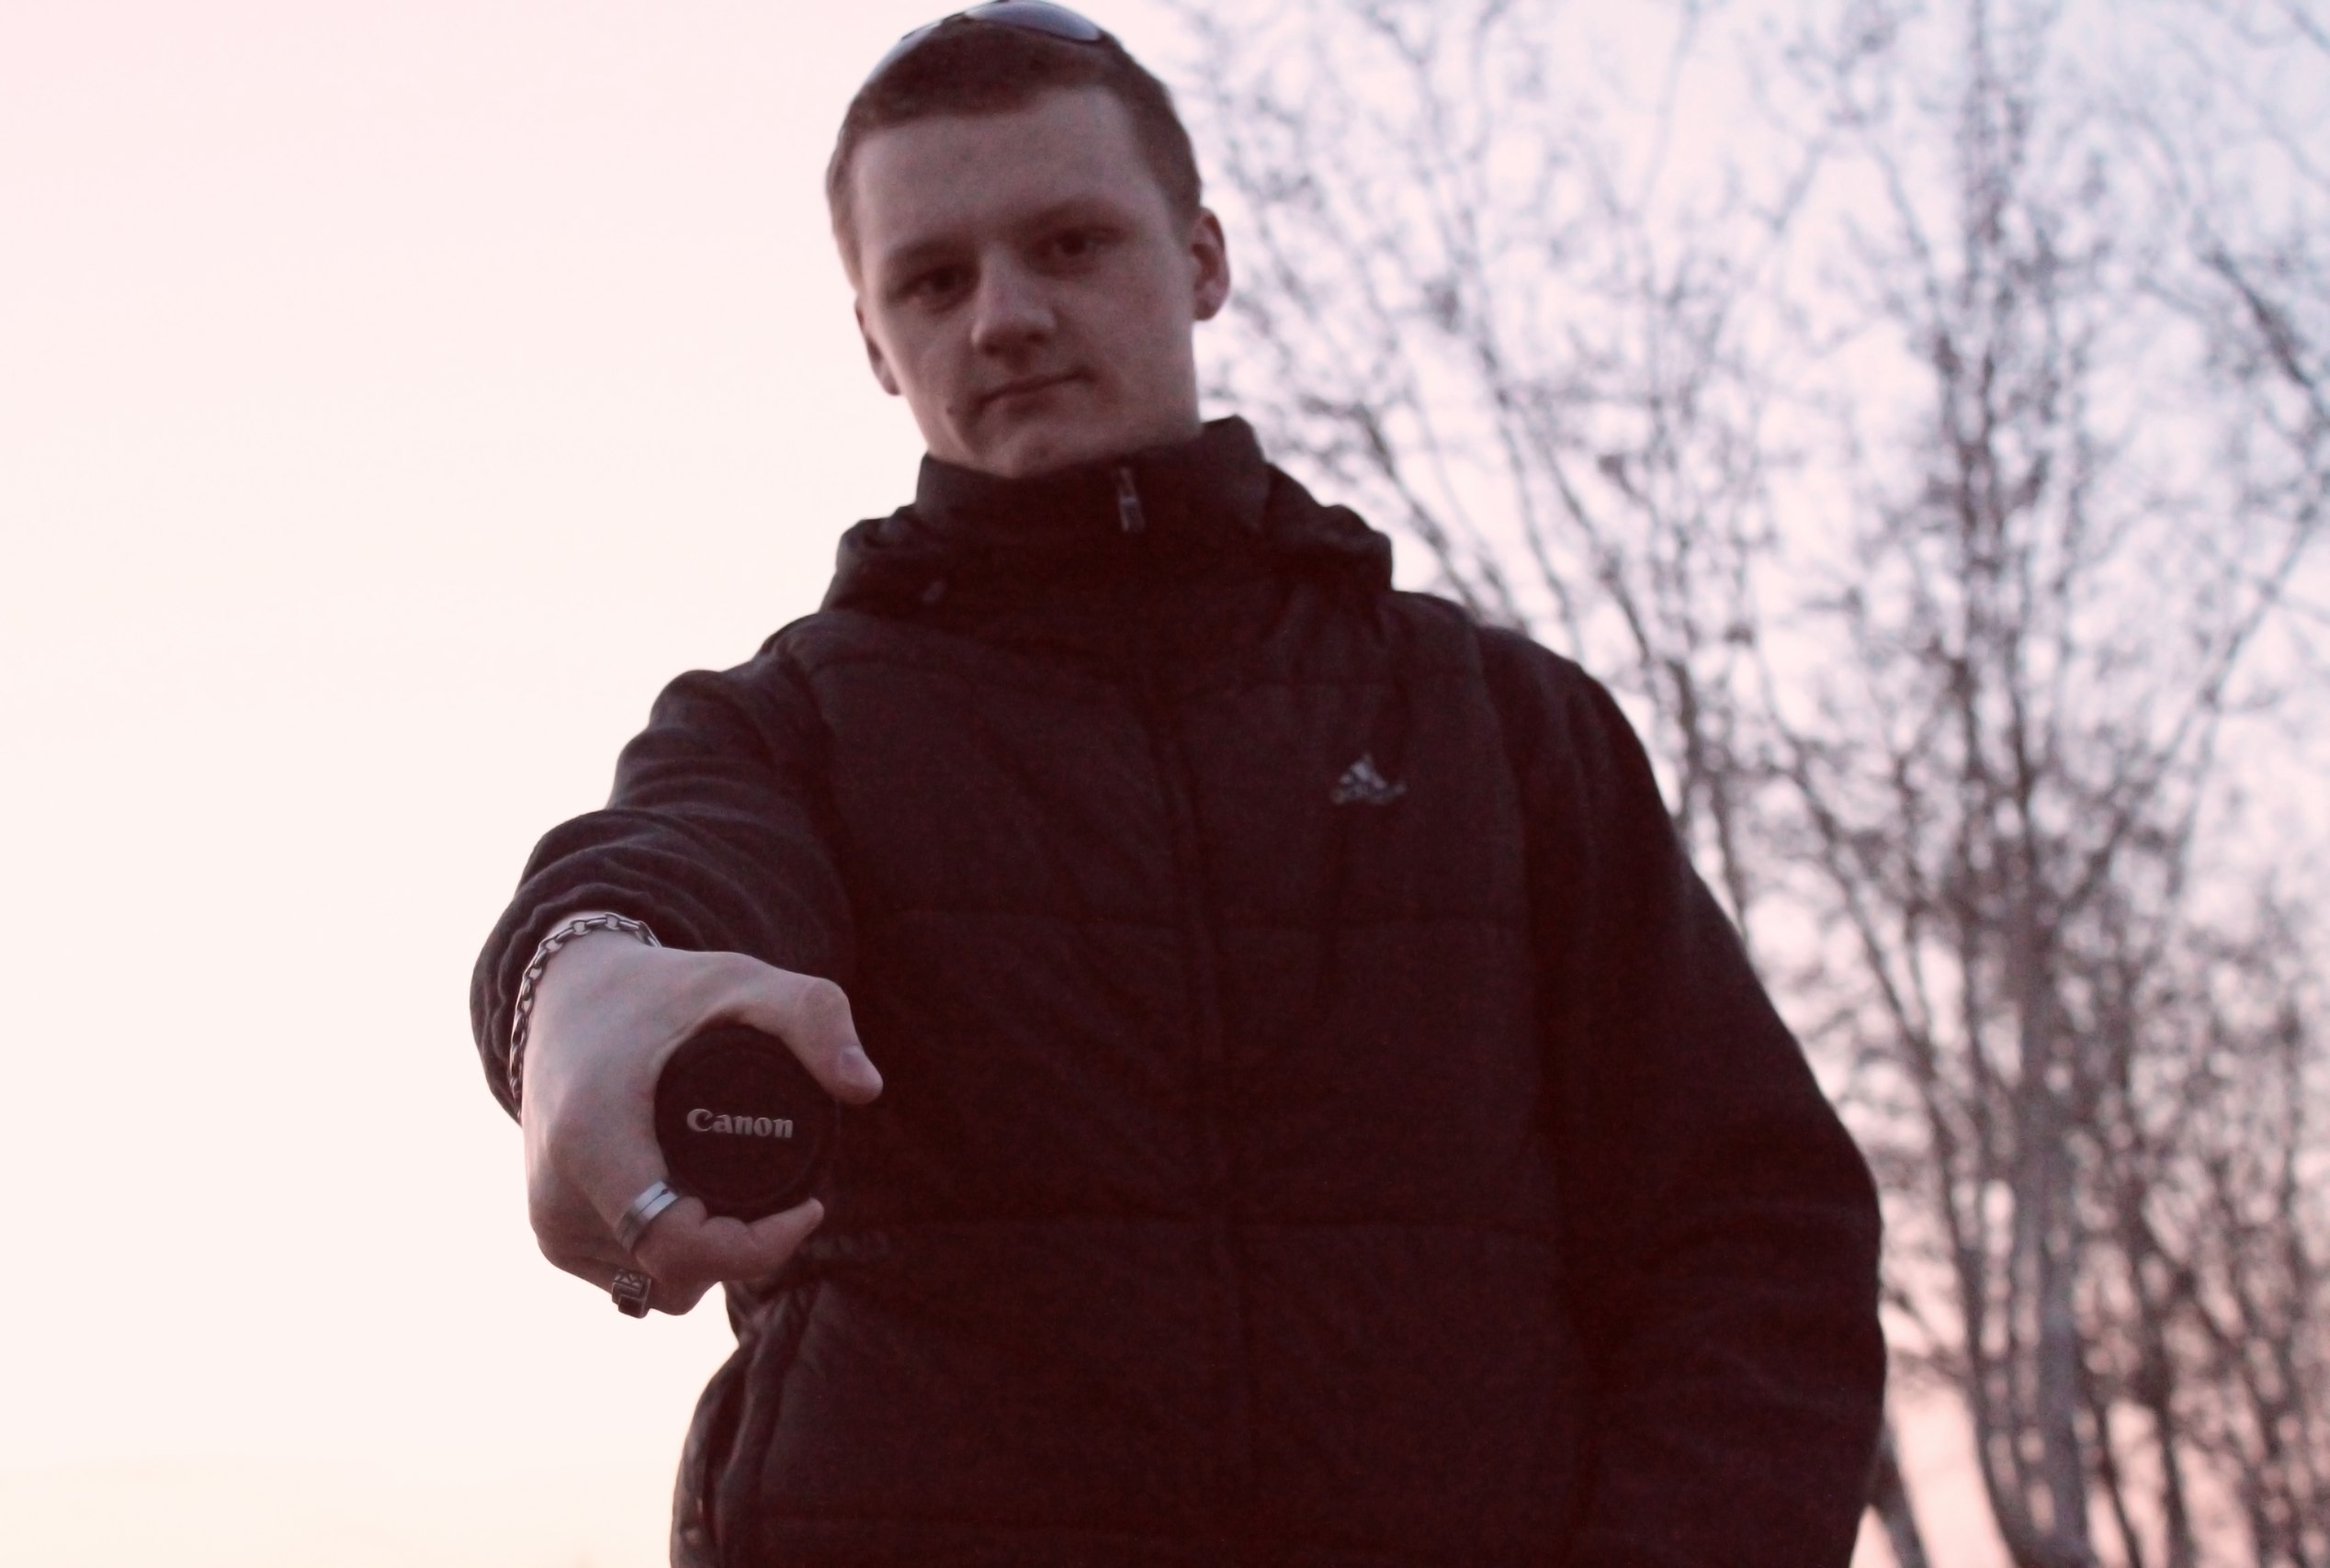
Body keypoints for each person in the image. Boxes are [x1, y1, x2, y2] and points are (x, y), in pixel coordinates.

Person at [469, 5, 1886, 1564]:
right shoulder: (785, 728)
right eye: (933, 279)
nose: (1004, 317)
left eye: (1069, 244)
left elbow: (1753, 1234)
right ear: (873, 340)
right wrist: (580, 976)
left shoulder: (1499, 727)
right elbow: (663, 864)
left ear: (1201, 258)